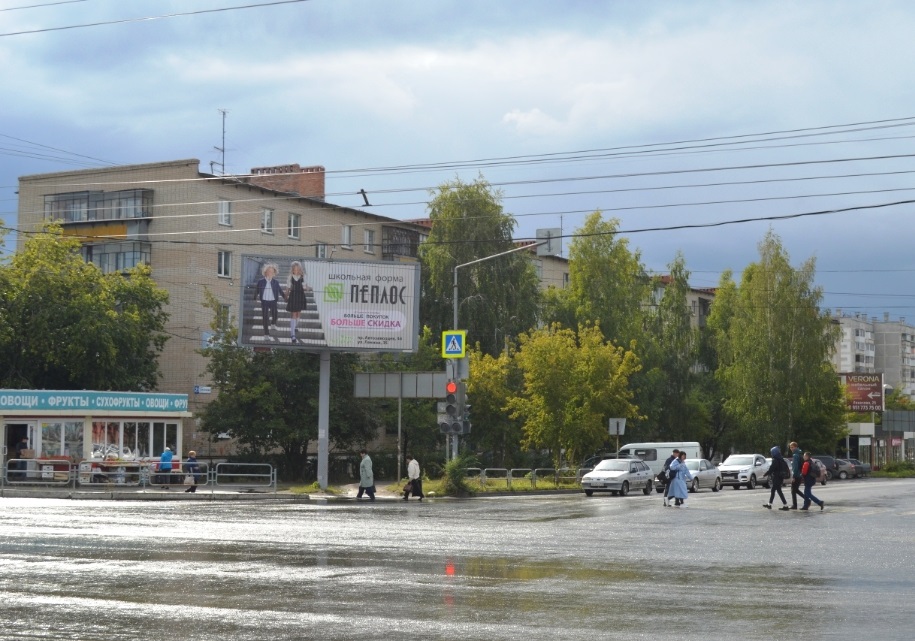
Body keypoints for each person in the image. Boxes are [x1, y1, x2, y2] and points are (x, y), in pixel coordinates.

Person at [255, 262, 285, 341]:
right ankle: (266, 334)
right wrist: (255, 298)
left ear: (274, 273)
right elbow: (257, 291)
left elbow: (280, 291)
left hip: (273, 301)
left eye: (272, 272)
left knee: (275, 314)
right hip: (264, 301)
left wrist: (286, 298)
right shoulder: (260, 282)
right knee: (265, 317)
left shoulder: (276, 282)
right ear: (265, 272)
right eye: (268, 271)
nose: (270, 273)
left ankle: (273, 324)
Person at [285, 261, 311, 344]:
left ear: (300, 269)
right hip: (293, 296)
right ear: (292, 269)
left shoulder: (303, 276)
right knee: (293, 314)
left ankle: (295, 326)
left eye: (297, 269)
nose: (296, 270)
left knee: (298, 314)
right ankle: (292, 335)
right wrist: (286, 296)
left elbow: (306, 288)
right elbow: (288, 288)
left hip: (300, 296)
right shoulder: (290, 277)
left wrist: (307, 287)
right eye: (294, 269)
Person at [764, 446, 791, 510]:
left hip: (776, 477)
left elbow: (772, 469)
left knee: (775, 490)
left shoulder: (775, 460)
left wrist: (766, 474)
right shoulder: (781, 459)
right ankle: (772, 504)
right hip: (780, 477)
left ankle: (783, 505)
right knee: (777, 491)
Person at [788, 441, 804, 509]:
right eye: (790, 447)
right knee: (795, 490)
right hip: (800, 474)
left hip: (797, 475)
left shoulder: (795, 455)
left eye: (793, 447)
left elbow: (795, 467)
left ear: (796, 447)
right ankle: (806, 499)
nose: (791, 448)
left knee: (793, 490)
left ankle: (795, 505)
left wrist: (794, 476)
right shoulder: (800, 454)